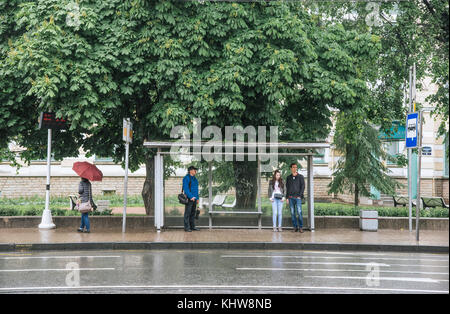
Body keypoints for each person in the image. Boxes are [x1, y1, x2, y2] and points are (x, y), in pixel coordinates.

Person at [285, 163, 305, 233]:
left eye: (296, 167)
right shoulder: (288, 178)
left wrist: (300, 195)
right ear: (291, 168)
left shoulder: (301, 177)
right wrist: (287, 198)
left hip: (298, 198)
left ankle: (301, 227)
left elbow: (303, 187)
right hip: (290, 198)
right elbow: (287, 188)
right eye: (293, 167)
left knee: (299, 212)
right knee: (293, 213)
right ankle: (295, 227)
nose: (295, 168)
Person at [182, 165, 200, 232]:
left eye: (195, 170)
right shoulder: (186, 178)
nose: (195, 171)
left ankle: (192, 227)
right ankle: (187, 227)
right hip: (189, 199)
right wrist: (191, 196)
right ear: (190, 171)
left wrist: (197, 198)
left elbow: (196, 189)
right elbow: (186, 189)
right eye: (194, 169)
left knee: (193, 213)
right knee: (187, 213)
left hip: (194, 199)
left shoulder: (195, 179)